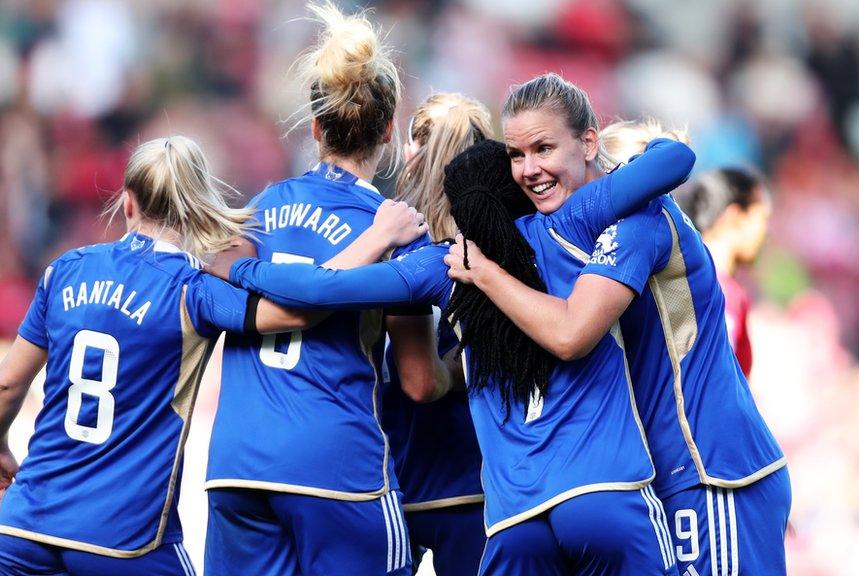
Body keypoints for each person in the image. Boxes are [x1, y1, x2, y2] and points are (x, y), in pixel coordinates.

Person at [211, 115, 695, 574]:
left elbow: (321, 288)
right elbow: (674, 160)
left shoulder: (443, 265)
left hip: (514, 517)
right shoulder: (571, 227)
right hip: (600, 490)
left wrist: (239, 268)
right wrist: (614, 157)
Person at [0, 135, 424, 576]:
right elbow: (300, 311)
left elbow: (6, 383)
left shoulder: (65, 270)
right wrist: (378, 238)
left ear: (129, 202)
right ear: (197, 206)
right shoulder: (193, 291)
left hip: (21, 533)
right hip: (124, 543)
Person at [448, 117, 790, 575]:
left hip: (707, 468)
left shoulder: (637, 224)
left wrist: (485, 274)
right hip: (661, 475)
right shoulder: (570, 247)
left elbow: (571, 334)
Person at [202, 3, 436, 575]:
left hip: (236, 464)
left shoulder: (258, 211)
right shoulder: (394, 227)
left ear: (314, 126)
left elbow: (212, 270)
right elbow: (418, 380)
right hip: (335, 467)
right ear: (387, 129)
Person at [385, 93, 493, 575]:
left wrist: (450, 371)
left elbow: (420, 382)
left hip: (398, 479)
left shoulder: (396, 244)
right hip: (482, 482)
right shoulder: (502, 241)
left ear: (413, 153)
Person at [673, 167, 771, 378]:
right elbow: (717, 379)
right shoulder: (722, 293)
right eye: (762, 219)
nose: (765, 232)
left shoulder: (681, 279)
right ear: (734, 216)